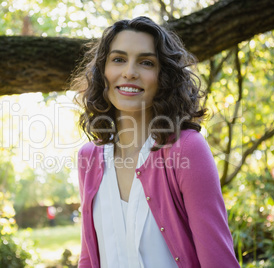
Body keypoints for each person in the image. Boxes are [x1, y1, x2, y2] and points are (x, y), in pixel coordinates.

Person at [71, 16, 240, 268]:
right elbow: (88, 257)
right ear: (102, 72)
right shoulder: (89, 157)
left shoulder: (186, 149)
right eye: (118, 59)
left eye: (146, 62)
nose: (129, 72)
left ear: (164, 76)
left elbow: (218, 261)